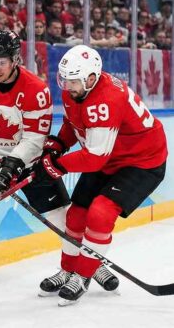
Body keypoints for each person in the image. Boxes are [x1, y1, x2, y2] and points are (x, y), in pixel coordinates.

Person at [0, 31, 117, 296]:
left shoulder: (36, 90)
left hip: (28, 165)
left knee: (64, 219)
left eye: (2, 62)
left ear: (16, 59)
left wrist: (13, 163)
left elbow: (35, 139)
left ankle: (90, 264)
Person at [34, 44, 167, 306]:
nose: (66, 85)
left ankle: (83, 275)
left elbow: (94, 158)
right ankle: (68, 269)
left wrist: (56, 166)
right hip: (109, 157)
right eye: (64, 79)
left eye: (72, 80)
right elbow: (74, 122)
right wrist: (58, 145)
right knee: (76, 214)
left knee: (101, 212)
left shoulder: (106, 99)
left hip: (142, 161)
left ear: (91, 78)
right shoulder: (77, 89)